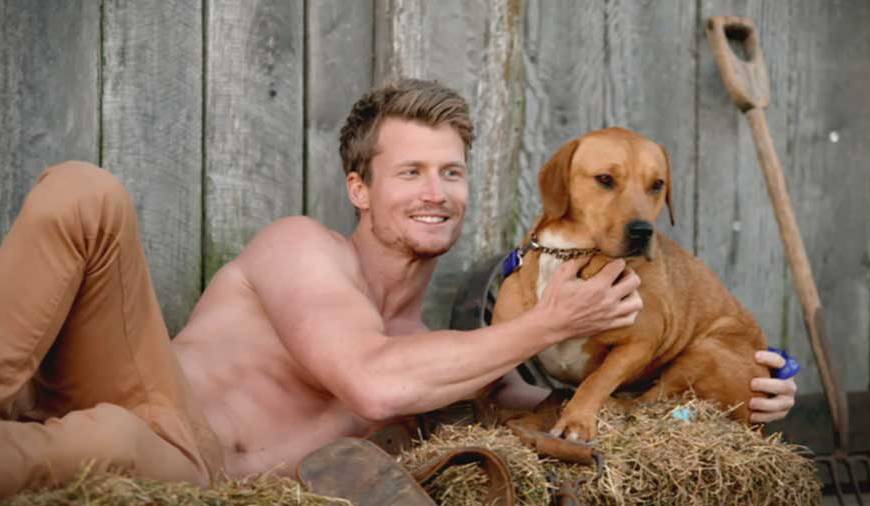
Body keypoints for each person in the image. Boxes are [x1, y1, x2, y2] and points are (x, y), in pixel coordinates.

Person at [0, 78, 796, 495]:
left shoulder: (445, 355)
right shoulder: (302, 250)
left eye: (451, 172)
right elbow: (372, 382)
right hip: (151, 395)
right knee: (87, 192)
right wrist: (549, 322)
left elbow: (561, 414)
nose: (435, 192)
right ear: (360, 188)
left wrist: (734, 396)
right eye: (410, 172)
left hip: (182, 472)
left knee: (98, 450)